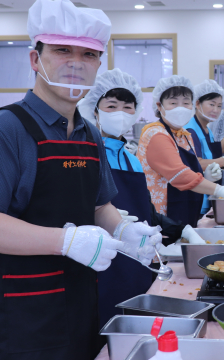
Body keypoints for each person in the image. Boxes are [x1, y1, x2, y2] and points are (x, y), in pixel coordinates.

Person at [0, 0, 162, 360]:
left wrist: (124, 231)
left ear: (99, 64)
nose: (76, 62)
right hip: (17, 318)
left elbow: (99, 205)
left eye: (88, 54)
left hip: (80, 306)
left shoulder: (89, 133)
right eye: (62, 50)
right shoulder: (4, 131)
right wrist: (64, 240)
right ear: (36, 58)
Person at [78, 68, 205, 327]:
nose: (120, 114)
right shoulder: (85, 154)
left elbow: (146, 213)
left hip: (137, 263)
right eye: (111, 106)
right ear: (95, 110)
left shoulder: (130, 158)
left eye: (127, 108)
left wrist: (181, 230)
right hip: (101, 265)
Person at [137, 76, 224, 228]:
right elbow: (180, 175)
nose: (180, 108)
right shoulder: (156, 134)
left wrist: (205, 175)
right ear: (160, 106)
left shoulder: (183, 134)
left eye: (186, 103)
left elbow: (190, 168)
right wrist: (222, 190)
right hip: (162, 216)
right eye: (173, 103)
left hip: (183, 210)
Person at [184, 79, 224, 215]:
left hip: (208, 195)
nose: (216, 110)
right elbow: (196, 162)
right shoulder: (190, 130)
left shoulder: (207, 130)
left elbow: (214, 155)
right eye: (211, 104)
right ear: (197, 103)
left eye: (219, 106)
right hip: (196, 198)